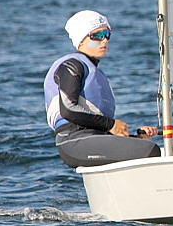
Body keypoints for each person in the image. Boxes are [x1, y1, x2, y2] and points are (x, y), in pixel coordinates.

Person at [44, 10, 160, 168]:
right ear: (81, 39)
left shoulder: (94, 70)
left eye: (107, 34)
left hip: (93, 137)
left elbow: (97, 127)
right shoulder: (71, 65)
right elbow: (68, 110)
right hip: (72, 141)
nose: (104, 40)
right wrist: (111, 125)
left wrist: (136, 139)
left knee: (145, 146)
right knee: (150, 150)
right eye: (97, 36)